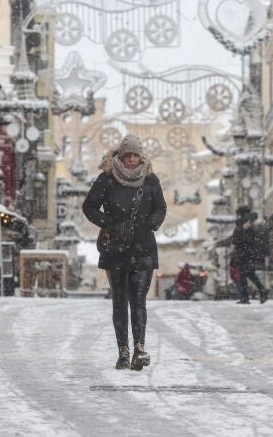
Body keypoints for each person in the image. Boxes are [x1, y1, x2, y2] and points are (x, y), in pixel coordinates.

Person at [82, 136, 167, 370]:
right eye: (127, 155)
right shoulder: (106, 180)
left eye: (135, 155)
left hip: (143, 249)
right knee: (119, 302)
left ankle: (139, 348)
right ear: (119, 156)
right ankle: (123, 351)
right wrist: (108, 223)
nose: (131, 160)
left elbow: (161, 207)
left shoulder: (150, 181)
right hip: (115, 249)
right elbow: (89, 206)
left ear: (141, 157)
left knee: (138, 301)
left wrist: (153, 222)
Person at [230, 207, 269, 304]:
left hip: (243, 253)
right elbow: (253, 238)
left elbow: (235, 239)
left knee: (244, 275)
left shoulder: (241, 222)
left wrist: (237, 239)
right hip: (250, 253)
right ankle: (260, 290)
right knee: (249, 273)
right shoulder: (252, 222)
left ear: (240, 214)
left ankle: (247, 297)